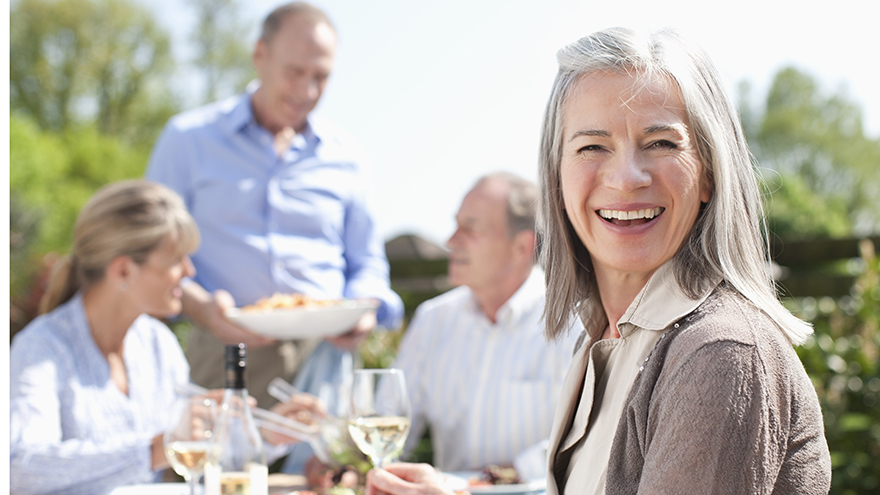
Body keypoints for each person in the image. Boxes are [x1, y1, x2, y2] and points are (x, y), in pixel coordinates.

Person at [363, 26, 832, 495]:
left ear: (709, 172)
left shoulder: (718, 352)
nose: (626, 178)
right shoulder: (599, 338)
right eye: (592, 146)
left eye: (662, 143)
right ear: (557, 179)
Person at [145, 1, 404, 408]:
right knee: (220, 471)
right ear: (259, 55)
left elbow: (368, 265)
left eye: (321, 76)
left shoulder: (347, 155)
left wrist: (365, 311)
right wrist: (202, 308)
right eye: (295, 72)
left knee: (329, 472)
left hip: (328, 360)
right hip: (223, 355)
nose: (307, 91)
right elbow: (150, 254)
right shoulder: (187, 140)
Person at [9, 180, 324, 494]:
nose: (189, 272)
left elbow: (196, 454)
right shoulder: (43, 349)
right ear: (123, 271)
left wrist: (266, 434)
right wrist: (156, 448)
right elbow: (19, 467)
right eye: (176, 260)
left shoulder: (158, 343)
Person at [393, 172, 579, 472]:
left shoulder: (574, 322)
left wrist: (506, 476)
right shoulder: (433, 321)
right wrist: (331, 442)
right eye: (456, 224)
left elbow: (587, 443)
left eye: (471, 228)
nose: (451, 240)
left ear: (521, 247)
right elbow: (390, 423)